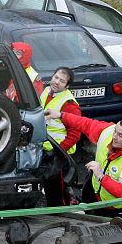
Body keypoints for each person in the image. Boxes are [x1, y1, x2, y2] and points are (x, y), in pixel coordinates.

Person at [45, 110, 122, 212]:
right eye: (115, 131)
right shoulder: (108, 132)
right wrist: (61, 115)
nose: (114, 137)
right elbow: (85, 124)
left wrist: (101, 177)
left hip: (118, 208)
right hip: (97, 194)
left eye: (121, 135)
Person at [41, 67, 81, 206]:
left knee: (57, 191)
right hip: (47, 151)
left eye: (62, 81)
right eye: (56, 77)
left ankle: (62, 213)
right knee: (49, 185)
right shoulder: (47, 91)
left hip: (60, 156)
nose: (56, 82)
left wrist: (57, 152)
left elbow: (75, 134)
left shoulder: (69, 105)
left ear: (67, 86)